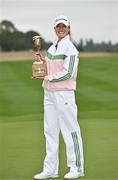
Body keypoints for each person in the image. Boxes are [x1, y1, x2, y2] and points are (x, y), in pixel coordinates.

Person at [34, 15, 84, 179]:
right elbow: (49, 69)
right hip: (49, 94)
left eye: (64, 26)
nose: (61, 28)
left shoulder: (70, 49)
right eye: (58, 26)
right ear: (54, 29)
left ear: (69, 28)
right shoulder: (51, 48)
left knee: (70, 131)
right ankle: (50, 169)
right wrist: (42, 63)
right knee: (50, 131)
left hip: (64, 94)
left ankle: (76, 168)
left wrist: (47, 77)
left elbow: (68, 73)